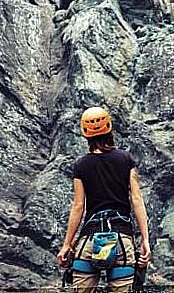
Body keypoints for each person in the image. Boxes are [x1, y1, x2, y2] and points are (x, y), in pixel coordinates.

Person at [57, 106, 151, 292]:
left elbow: (78, 206)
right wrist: (145, 239)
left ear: (85, 134)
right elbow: (137, 199)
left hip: (89, 240)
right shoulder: (125, 159)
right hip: (121, 241)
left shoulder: (81, 165)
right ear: (109, 127)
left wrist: (67, 244)